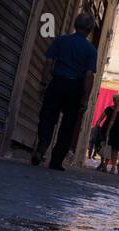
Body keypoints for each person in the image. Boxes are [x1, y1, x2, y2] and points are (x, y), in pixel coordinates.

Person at [32, 13, 98, 170]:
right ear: (90, 30)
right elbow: (89, 76)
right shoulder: (90, 50)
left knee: (47, 117)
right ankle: (56, 161)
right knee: (68, 126)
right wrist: (85, 99)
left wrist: (43, 83)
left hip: (57, 83)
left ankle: (43, 144)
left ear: (75, 25)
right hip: (75, 88)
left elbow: (48, 62)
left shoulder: (61, 40)